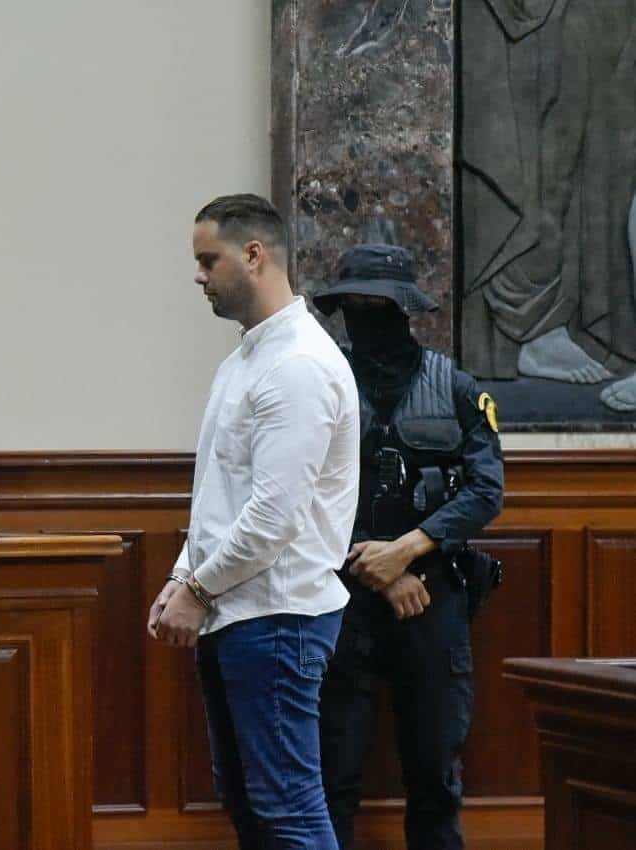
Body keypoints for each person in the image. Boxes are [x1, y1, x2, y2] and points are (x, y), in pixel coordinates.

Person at [148, 194, 360, 850]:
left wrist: (199, 589)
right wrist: (185, 575)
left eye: (209, 260)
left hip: (278, 617)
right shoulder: (247, 359)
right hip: (238, 610)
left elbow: (273, 516)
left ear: (254, 254)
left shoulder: (297, 364)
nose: (199, 275)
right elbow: (221, 492)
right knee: (248, 798)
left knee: (288, 807)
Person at [312, 244, 505, 850]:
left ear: (406, 310)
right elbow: (297, 496)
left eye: (381, 305)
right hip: (338, 603)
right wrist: (380, 566)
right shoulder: (319, 385)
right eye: (355, 305)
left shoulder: (456, 388)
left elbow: (485, 490)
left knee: (435, 776)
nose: (368, 317)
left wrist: (410, 549)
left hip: (435, 602)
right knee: (332, 779)